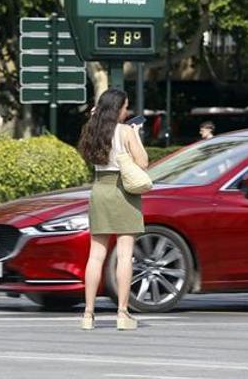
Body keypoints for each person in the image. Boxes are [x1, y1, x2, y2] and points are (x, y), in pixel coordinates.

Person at [76, 89, 149, 331]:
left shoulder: (92, 129)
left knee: (95, 255)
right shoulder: (126, 131)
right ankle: (122, 312)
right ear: (117, 108)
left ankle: (88, 314)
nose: (127, 111)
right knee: (124, 254)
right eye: (125, 107)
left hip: (99, 189)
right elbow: (143, 162)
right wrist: (136, 135)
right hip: (123, 191)